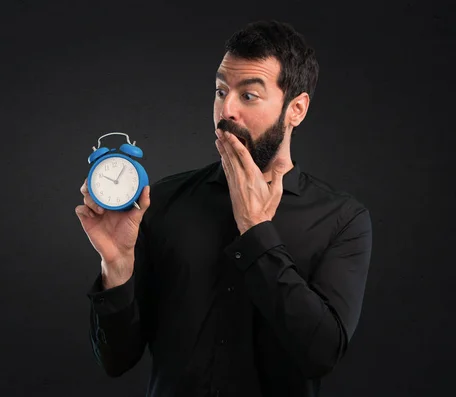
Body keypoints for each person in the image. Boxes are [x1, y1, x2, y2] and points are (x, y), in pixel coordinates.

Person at [75, 20, 373, 397]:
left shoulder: (343, 220)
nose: (225, 109)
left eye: (248, 95)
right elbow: (116, 360)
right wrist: (116, 268)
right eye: (220, 91)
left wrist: (255, 231)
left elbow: (321, 354)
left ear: (295, 109)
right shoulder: (162, 202)